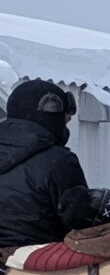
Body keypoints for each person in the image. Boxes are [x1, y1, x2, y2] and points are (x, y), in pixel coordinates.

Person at [0, 79, 88, 252]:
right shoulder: (60, 161)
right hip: (39, 265)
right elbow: (81, 221)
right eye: (65, 120)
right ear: (52, 117)